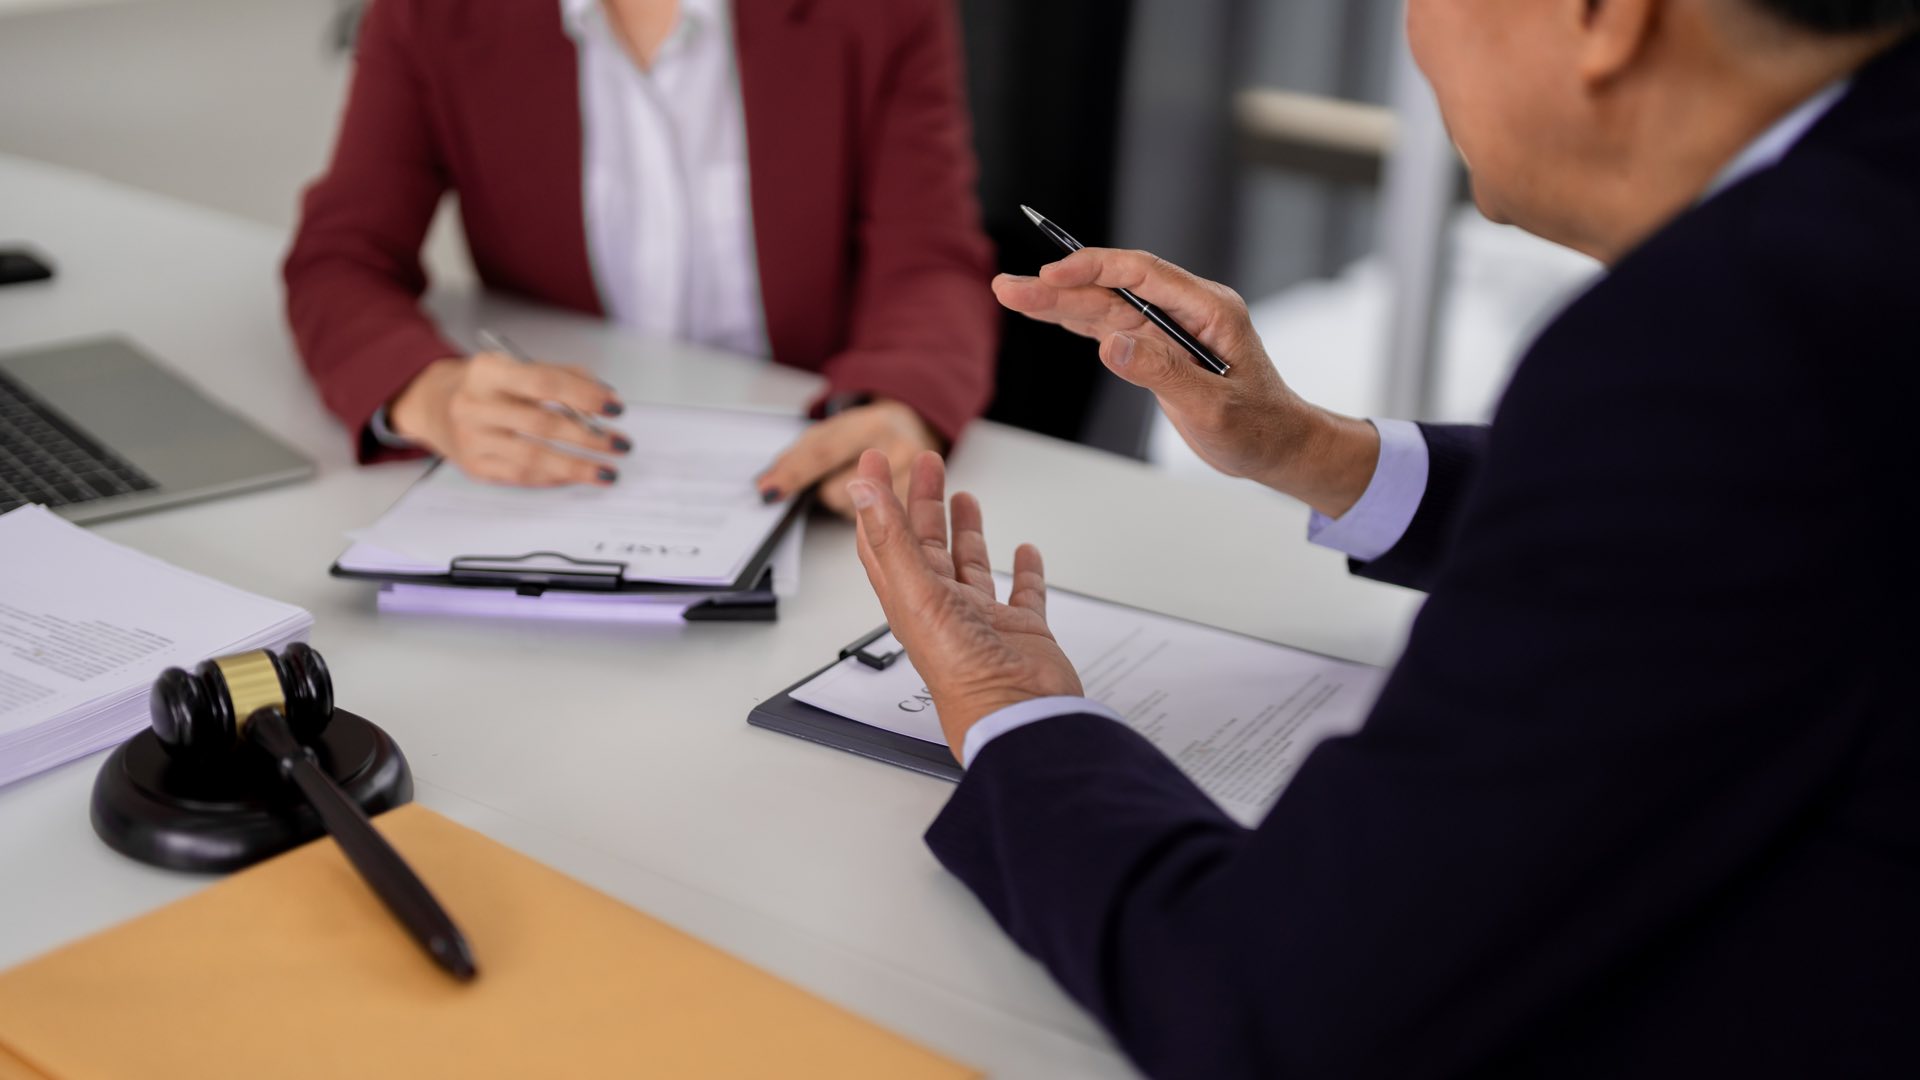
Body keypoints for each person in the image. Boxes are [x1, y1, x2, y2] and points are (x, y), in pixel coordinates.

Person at [841, 0, 1920, 1076]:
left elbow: (1278, 1007)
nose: (1413, 36)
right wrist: (1307, 446)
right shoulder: (1857, 232)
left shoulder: (1722, 340)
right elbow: (1717, 514)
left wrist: (1008, 711)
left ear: (1605, 17)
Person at [283, 0, 996, 514]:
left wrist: (901, 404)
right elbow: (341, 256)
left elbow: (930, 261)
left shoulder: (886, 13)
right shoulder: (431, 14)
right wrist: (425, 393)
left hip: (802, 458)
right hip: (561, 475)